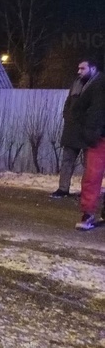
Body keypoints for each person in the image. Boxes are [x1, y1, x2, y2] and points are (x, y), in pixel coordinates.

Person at [50, 59, 99, 198]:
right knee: (67, 161)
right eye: (79, 68)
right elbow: (68, 103)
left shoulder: (98, 86)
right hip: (72, 130)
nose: (79, 71)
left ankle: (87, 192)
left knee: (89, 165)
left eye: (83, 68)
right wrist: (67, 116)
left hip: (88, 131)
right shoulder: (76, 83)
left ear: (93, 69)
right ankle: (63, 188)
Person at [70, 60, 105, 230]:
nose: (79, 71)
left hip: (96, 136)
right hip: (98, 139)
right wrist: (89, 131)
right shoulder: (97, 85)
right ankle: (88, 213)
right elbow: (77, 110)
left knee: (92, 176)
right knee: (92, 176)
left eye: (82, 68)